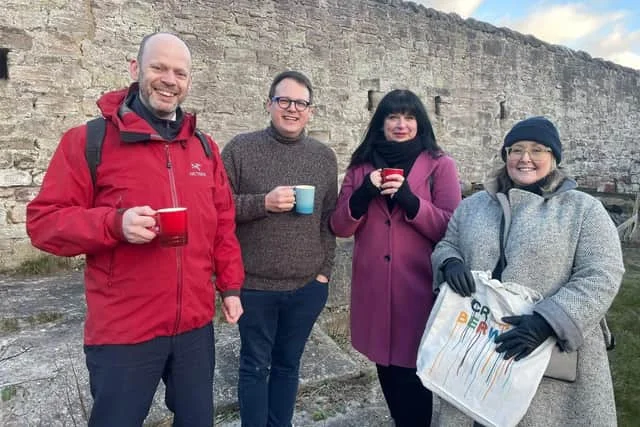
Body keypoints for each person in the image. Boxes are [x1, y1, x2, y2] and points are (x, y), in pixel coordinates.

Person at [26, 32, 244, 427]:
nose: (169, 79)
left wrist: (230, 287)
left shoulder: (204, 148)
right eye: (158, 67)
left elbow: (223, 224)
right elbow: (43, 223)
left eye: (180, 72)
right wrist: (114, 224)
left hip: (194, 326)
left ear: (188, 81)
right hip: (124, 329)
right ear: (135, 69)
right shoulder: (88, 141)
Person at [431, 116, 624, 426]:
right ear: (506, 155)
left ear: (554, 158)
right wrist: (448, 262)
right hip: (476, 344)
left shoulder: (583, 209)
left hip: (547, 354)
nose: (525, 158)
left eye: (538, 150)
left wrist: (548, 322)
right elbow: (447, 244)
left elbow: (602, 274)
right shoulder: (473, 206)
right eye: (516, 149)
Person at [330, 89, 462, 426]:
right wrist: (362, 195)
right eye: (392, 117)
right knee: (388, 372)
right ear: (381, 122)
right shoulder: (361, 167)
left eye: (409, 117)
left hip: (419, 292)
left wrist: (411, 201)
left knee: (418, 377)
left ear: (420, 122)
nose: (401, 124)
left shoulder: (440, 165)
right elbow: (340, 226)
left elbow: (453, 226)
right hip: (375, 291)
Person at [220, 70, 337, 427]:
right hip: (254, 286)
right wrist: (263, 203)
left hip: (306, 287)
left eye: (300, 103)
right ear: (269, 104)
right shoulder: (241, 149)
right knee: (255, 366)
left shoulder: (323, 157)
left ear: (310, 111)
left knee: (288, 366)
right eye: (283, 100)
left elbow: (328, 220)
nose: (292, 109)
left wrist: (323, 274)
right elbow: (217, 210)